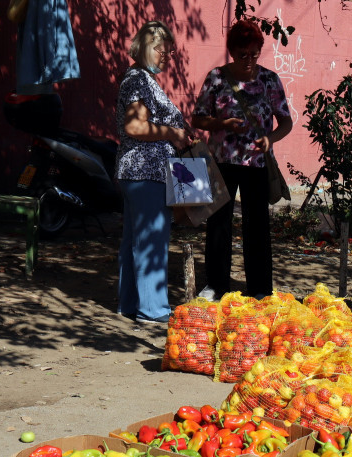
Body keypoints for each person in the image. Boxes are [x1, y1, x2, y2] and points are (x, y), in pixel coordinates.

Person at [191, 20, 293, 301]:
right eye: (242, 54)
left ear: (260, 49)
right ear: (232, 52)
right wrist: (221, 123)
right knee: (218, 224)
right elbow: (198, 118)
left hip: (257, 165)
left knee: (257, 226)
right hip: (222, 161)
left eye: (254, 52)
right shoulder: (217, 78)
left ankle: (260, 288)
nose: (248, 60)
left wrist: (270, 139)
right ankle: (216, 285)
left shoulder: (270, 80)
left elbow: (286, 122)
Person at [115, 21, 190, 323]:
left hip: (140, 171)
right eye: (162, 50)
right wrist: (173, 133)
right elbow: (134, 126)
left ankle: (130, 304)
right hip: (144, 170)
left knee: (136, 240)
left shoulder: (141, 78)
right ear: (147, 47)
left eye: (169, 51)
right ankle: (153, 310)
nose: (166, 56)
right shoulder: (138, 79)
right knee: (151, 242)